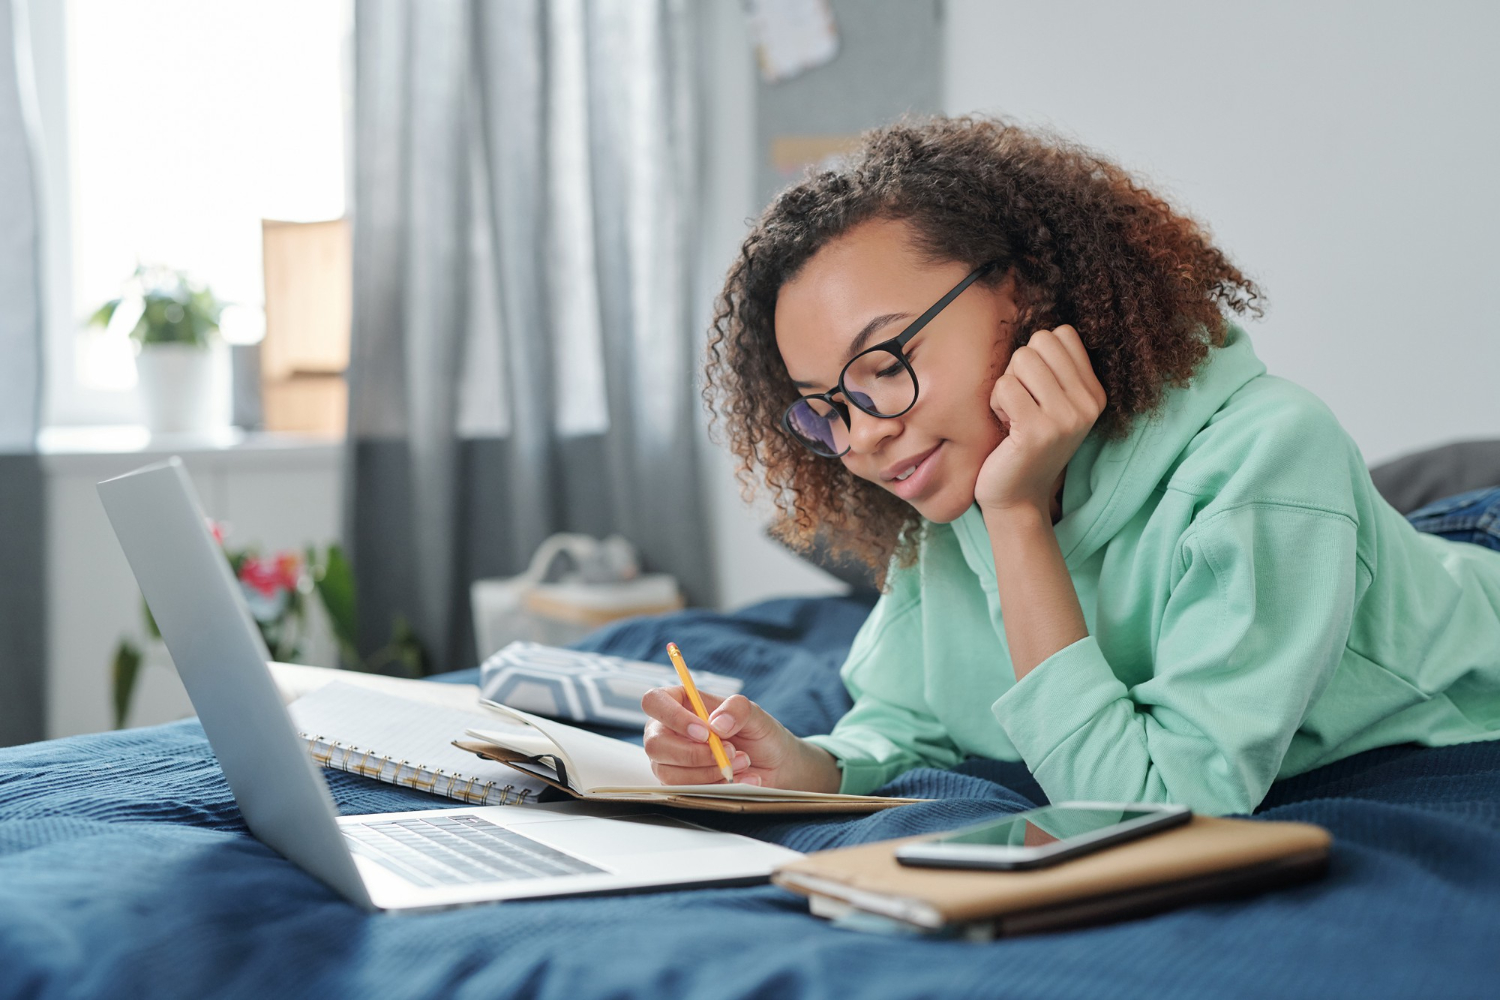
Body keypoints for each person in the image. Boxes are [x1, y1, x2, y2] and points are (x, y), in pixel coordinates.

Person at [640, 116, 1500, 815]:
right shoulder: (942, 481)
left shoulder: (1272, 458)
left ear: (1020, 292)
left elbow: (1151, 804)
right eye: (827, 405)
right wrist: (806, 766)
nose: (860, 438)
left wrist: (1016, 521)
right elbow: (905, 720)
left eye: (883, 366)